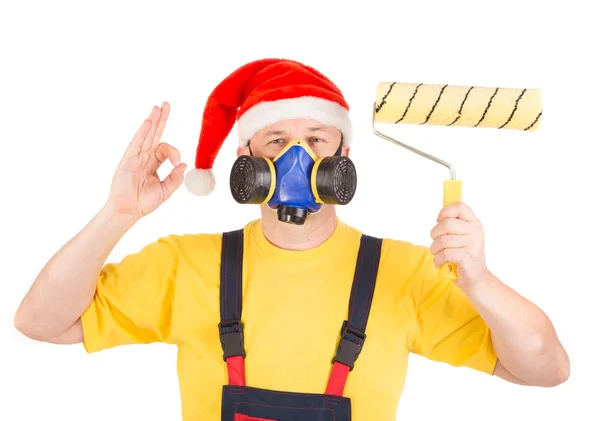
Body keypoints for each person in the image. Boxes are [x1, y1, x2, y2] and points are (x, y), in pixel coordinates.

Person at [14, 58, 569, 421]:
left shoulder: (404, 274)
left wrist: (479, 280)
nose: (296, 159)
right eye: (275, 139)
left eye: (315, 139)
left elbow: (546, 370)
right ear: (246, 163)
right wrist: (117, 213)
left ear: (343, 160)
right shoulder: (185, 265)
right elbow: (40, 322)